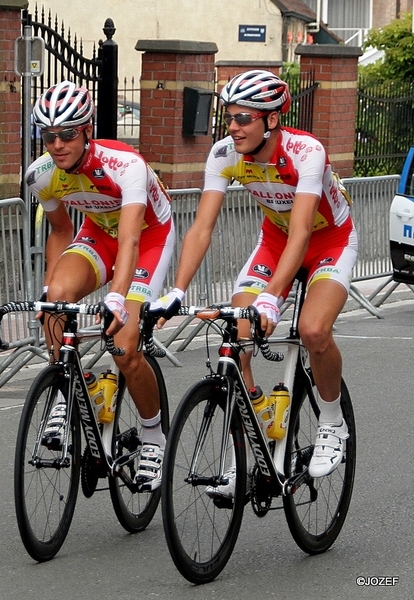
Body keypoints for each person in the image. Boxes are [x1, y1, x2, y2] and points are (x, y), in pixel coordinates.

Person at [153, 69, 357, 488]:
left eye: (244, 118)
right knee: (238, 332)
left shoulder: (306, 152)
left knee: (313, 330)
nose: (233, 127)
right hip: (274, 242)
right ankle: (246, 453)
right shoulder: (225, 154)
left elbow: (303, 232)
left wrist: (272, 297)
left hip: (328, 241)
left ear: (272, 119)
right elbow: (202, 228)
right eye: (229, 117)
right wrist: (176, 290)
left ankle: (333, 422)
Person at [25, 81, 175, 491]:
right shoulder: (41, 176)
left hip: (147, 239)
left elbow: (129, 239)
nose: (57, 144)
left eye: (68, 134)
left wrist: (116, 298)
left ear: (87, 129)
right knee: (56, 299)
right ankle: (66, 384)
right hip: (98, 234)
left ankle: (153, 436)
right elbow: (59, 232)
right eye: (49, 136)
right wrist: (50, 288)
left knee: (125, 348)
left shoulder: (125, 165)